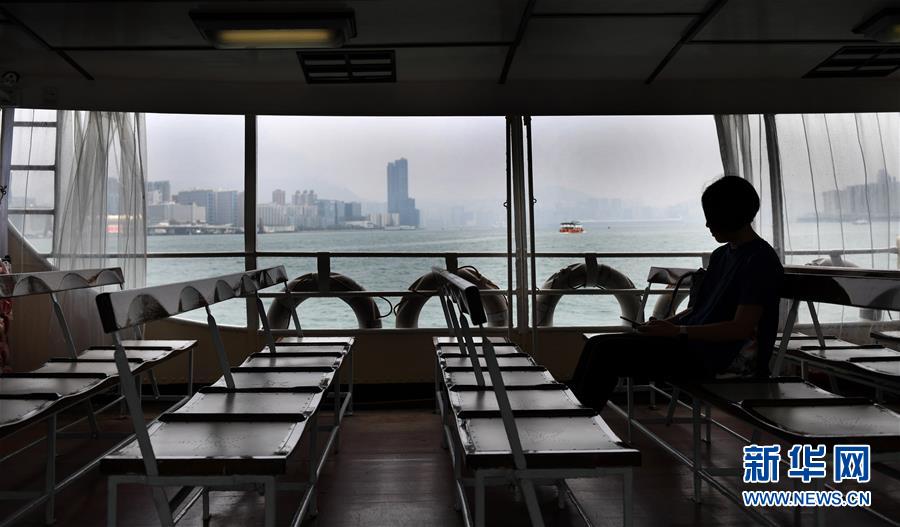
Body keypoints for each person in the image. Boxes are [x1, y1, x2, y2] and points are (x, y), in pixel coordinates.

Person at [569, 176, 783, 411]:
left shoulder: (760, 260)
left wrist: (678, 331)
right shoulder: (721, 256)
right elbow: (698, 309)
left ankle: (580, 418)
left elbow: (739, 328)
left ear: (730, 215)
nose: (707, 224)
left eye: (712, 216)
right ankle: (576, 415)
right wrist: (666, 324)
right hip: (695, 346)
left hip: (722, 358)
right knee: (597, 344)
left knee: (606, 352)